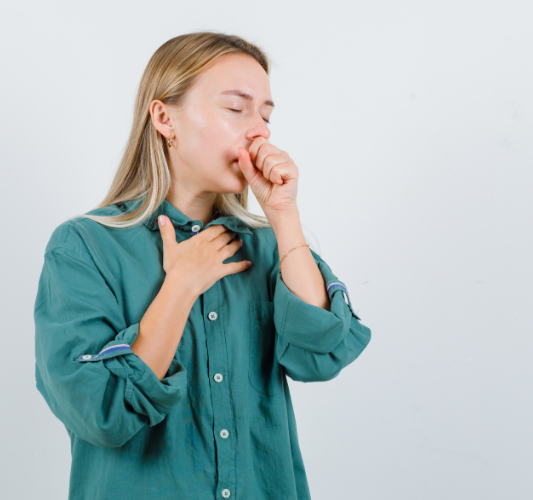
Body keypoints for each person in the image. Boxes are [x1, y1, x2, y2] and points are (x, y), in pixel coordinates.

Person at [33, 31, 372, 500]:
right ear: (164, 118)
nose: (260, 130)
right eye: (236, 108)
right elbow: (98, 411)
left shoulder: (269, 246)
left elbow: (321, 353)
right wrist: (182, 286)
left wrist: (283, 217)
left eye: (266, 115)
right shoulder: (84, 246)